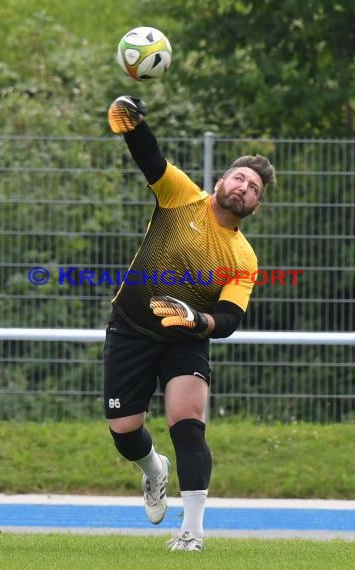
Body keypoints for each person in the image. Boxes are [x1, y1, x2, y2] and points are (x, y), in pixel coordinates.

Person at [104, 95, 276, 551]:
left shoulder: (243, 256)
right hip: (132, 327)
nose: (244, 186)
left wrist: (197, 319)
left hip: (185, 338)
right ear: (220, 182)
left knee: (187, 421)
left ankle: (192, 532)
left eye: (254, 187)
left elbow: (230, 318)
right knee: (124, 431)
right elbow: (149, 155)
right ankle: (153, 471)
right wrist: (132, 121)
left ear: (255, 207)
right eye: (239, 177)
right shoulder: (182, 197)